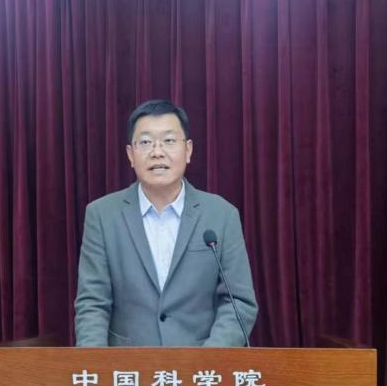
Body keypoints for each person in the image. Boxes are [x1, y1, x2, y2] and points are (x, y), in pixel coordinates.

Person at [74, 99, 258, 346]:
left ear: (188, 150)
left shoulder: (222, 215)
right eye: (145, 142)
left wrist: (208, 361)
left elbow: (238, 302)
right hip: (127, 366)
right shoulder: (102, 215)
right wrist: (96, 365)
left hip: (202, 364)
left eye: (169, 141)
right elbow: (92, 304)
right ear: (130, 154)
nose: (157, 152)